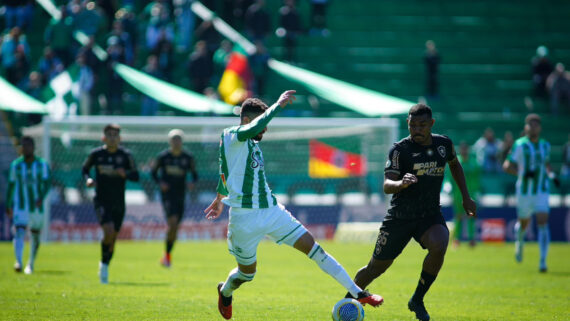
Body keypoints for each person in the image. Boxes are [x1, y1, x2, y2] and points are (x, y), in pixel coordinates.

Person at [204, 90, 384, 320]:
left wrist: (219, 199)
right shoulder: (232, 135)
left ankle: (359, 293)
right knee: (247, 274)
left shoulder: (251, 143)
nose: (265, 129)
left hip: (271, 211)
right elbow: (227, 166)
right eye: (262, 123)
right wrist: (277, 105)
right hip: (244, 218)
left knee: (314, 248)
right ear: (248, 120)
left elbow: (227, 172)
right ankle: (225, 291)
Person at [347, 103, 477, 321]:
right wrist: (401, 184)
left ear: (431, 124)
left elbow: (455, 165)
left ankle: (417, 299)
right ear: (407, 124)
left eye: (422, 125)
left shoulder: (443, 144)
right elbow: (387, 185)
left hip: (429, 214)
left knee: (440, 243)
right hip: (400, 217)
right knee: (375, 268)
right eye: (412, 125)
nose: (416, 129)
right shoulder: (400, 150)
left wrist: (465, 196)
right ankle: (348, 299)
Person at [82, 124, 140, 284]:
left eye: (115, 135)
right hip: (101, 200)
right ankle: (104, 265)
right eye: (109, 135)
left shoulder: (126, 155)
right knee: (108, 231)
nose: (112, 138)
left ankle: (105, 263)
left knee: (113, 238)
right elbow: (85, 168)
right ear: (104, 138)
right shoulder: (96, 154)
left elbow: (136, 176)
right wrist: (88, 179)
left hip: (119, 202)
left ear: (120, 138)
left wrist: (126, 174)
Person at [502, 114, 560, 272]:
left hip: (542, 190)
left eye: (536, 125)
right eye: (530, 125)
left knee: (543, 222)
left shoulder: (545, 145)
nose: (533, 128)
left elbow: (546, 165)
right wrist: (521, 174)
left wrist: (553, 176)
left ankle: (543, 262)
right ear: (525, 127)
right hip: (524, 192)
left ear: (540, 128)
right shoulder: (519, 145)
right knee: (524, 223)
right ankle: (519, 241)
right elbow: (507, 166)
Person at [151, 129, 198, 268]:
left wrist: (192, 183)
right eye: (174, 139)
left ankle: (167, 255)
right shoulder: (163, 157)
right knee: (172, 223)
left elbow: (195, 174)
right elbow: (153, 173)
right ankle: (167, 256)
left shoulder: (188, 157)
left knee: (175, 227)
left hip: (181, 194)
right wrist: (160, 183)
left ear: (182, 142)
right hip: (167, 195)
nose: (176, 142)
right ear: (170, 142)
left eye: (179, 139)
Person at [5, 136, 51, 275]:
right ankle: (18, 261)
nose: (26, 148)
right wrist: (8, 204)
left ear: (33, 147)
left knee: (35, 235)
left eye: (29, 145)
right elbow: (11, 185)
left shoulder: (42, 165)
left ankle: (30, 263)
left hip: (37, 206)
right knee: (19, 231)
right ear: (21, 148)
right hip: (21, 205)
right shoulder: (16, 166)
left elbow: (47, 183)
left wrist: (41, 197)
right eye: (23, 146)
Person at [451, 142, 480, 248]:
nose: (464, 151)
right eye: (462, 149)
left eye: (465, 149)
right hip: (458, 194)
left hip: (471, 192)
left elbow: (477, 178)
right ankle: (456, 239)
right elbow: (450, 177)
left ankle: (472, 239)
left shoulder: (474, 163)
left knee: (471, 215)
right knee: (458, 216)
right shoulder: (456, 161)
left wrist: (477, 190)